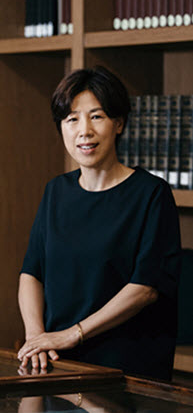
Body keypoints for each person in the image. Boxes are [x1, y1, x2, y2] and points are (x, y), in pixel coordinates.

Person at [17, 66, 181, 380]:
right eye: (72, 119)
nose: (84, 131)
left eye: (97, 116)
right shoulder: (56, 191)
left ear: (119, 123)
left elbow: (145, 288)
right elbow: (31, 273)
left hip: (126, 371)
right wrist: (37, 337)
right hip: (58, 364)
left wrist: (72, 333)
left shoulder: (151, 194)